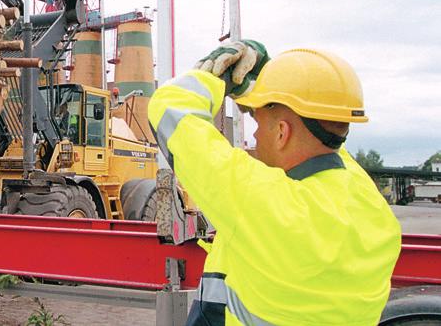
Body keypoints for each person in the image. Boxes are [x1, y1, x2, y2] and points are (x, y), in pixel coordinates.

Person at [147, 41, 401, 325]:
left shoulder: (264, 201)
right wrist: (269, 83)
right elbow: (325, 135)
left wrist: (211, 78)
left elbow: (169, 110)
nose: (254, 137)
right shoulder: (371, 206)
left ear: (282, 132)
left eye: (258, 123)